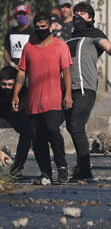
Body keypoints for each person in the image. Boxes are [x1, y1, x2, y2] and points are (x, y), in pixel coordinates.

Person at [65, 1, 111, 181]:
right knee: (70, 126)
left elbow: (109, 47)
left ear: (90, 18)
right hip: (68, 89)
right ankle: (81, 166)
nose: (78, 16)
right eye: (76, 13)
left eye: (82, 13)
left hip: (85, 88)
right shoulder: (69, 38)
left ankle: (84, 169)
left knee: (76, 125)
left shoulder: (94, 34)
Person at [11, 12, 73, 185]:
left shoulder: (60, 46)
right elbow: (22, 72)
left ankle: (62, 168)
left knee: (53, 130)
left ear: (49, 27)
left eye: (43, 27)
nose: (40, 30)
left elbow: (66, 72)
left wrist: (68, 94)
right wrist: (16, 94)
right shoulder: (29, 47)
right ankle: (45, 172)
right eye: (37, 28)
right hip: (33, 102)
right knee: (38, 139)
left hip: (54, 100)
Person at [0, 65, 34, 178]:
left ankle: (18, 167)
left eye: (10, 85)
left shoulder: (23, 92)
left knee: (27, 133)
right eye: (3, 84)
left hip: (17, 111)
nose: (6, 88)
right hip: (3, 109)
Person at [4, 5, 33, 70]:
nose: (21, 16)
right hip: (12, 69)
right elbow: (6, 50)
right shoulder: (10, 31)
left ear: (28, 16)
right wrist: (11, 63)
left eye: (24, 14)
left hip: (28, 69)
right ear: (15, 16)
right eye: (19, 14)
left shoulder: (33, 32)